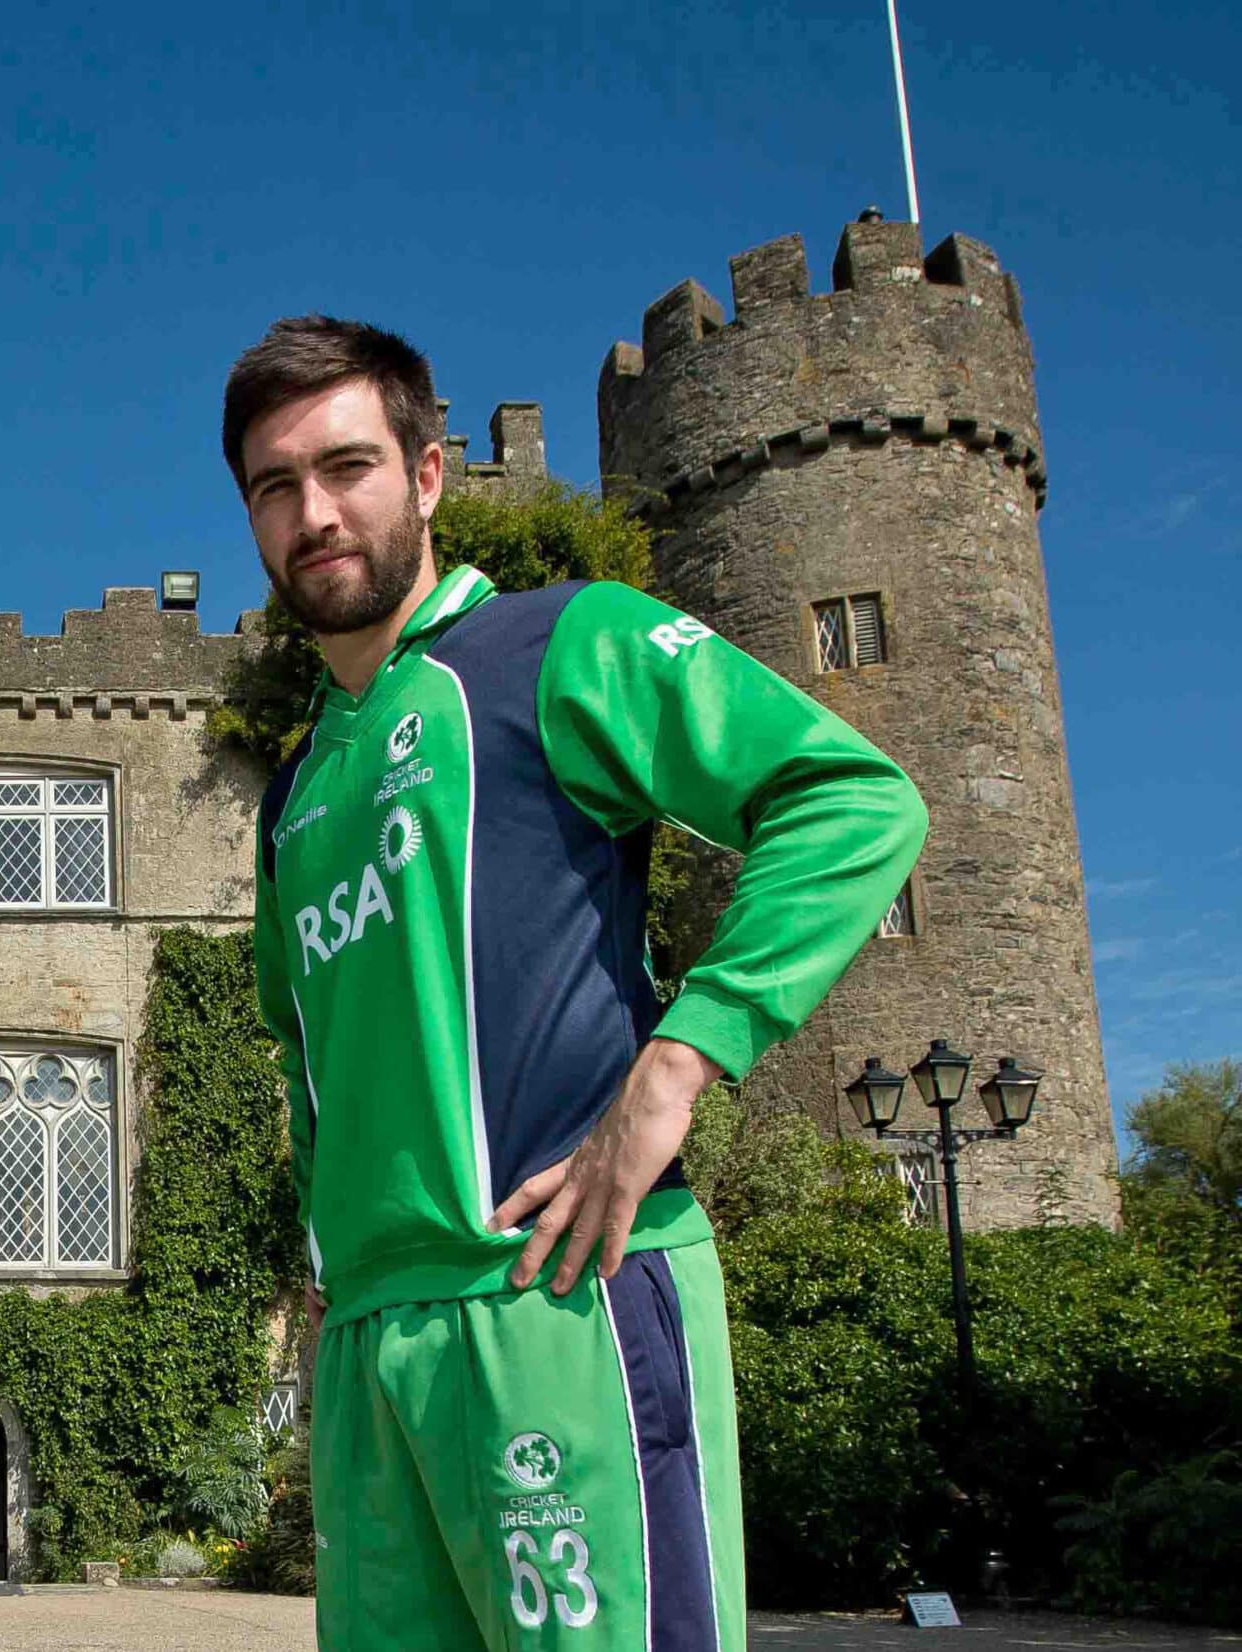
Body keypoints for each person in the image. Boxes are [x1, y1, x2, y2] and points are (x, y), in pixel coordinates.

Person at [229, 316, 926, 1651]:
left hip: (562, 1297)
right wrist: (328, 1265)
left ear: (428, 474)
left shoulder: (562, 642)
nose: (314, 514)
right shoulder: (297, 792)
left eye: (347, 467)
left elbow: (851, 801)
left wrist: (681, 1063)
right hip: (371, 1348)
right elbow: (306, 1052)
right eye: (275, 485)